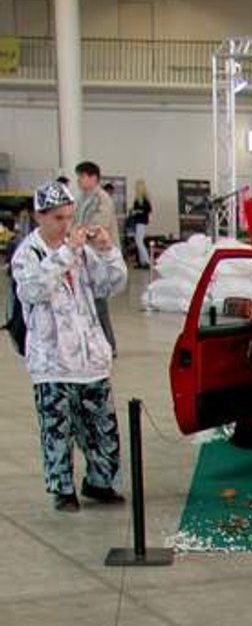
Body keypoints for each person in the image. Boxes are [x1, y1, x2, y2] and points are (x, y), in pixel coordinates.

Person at [9, 179, 127, 511]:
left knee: (103, 429)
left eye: (69, 217)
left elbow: (111, 286)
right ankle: (62, 489)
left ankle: (101, 481)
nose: (65, 225)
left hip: (91, 360)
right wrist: (65, 253)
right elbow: (33, 290)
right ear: (40, 217)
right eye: (58, 218)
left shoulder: (82, 252)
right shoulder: (27, 255)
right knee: (57, 431)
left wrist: (106, 251)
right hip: (52, 363)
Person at [73, 161, 119, 353]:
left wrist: (79, 232)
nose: (79, 180)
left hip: (99, 257)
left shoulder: (102, 199)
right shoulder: (82, 199)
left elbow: (99, 226)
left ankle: (109, 344)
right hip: (85, 256)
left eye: (82, 176)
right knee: (88, 301)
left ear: (93, 178)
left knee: (98, 301)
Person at [126, 180, 152, 268]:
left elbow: (147, 210)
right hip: (140, 222)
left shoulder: (142, 200)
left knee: (139, 241)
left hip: (141, 222)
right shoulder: (141, 199)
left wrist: (136, 211)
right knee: (139, 241)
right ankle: (142, 262)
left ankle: (146, 261)